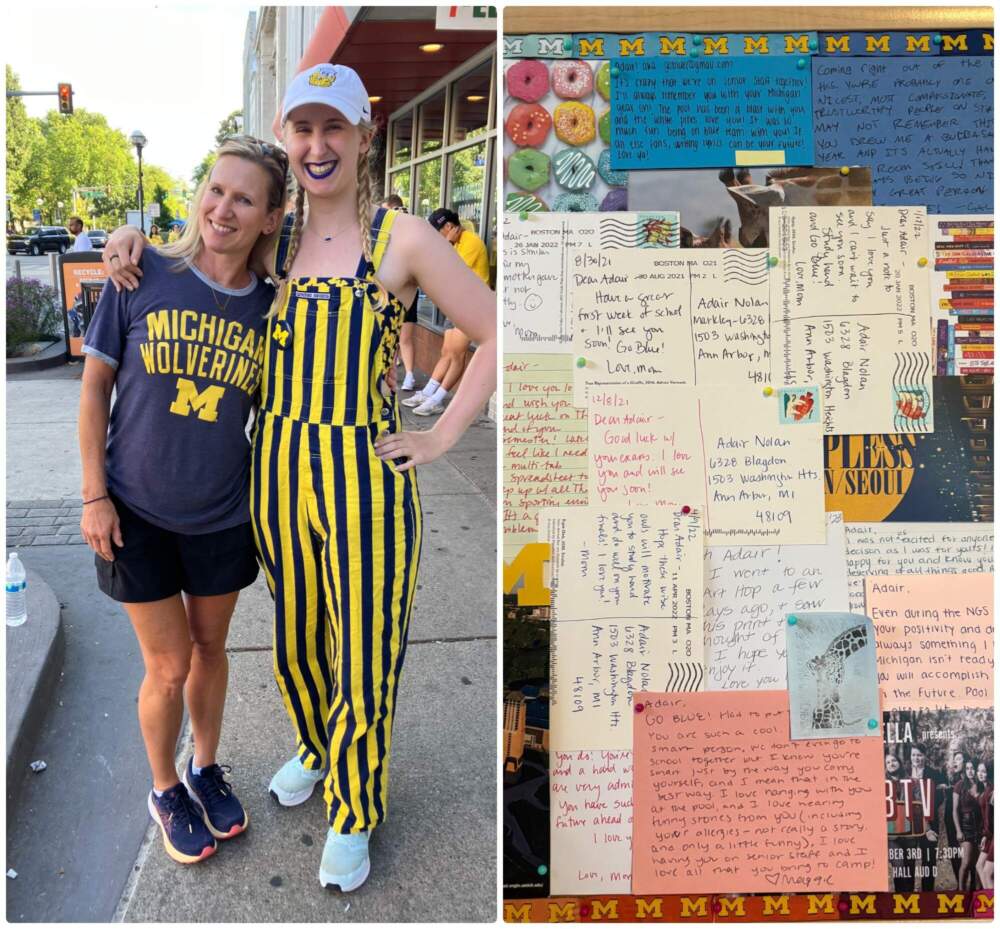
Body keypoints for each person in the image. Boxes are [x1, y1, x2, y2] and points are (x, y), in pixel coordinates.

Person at [101, 62, 496, 891]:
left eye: (334, 127)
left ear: (364, 136)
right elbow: (199, 245)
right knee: (300, 639)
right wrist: (128, 243)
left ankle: (356, 805)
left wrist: (440, 435)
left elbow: (497, 330)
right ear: (287, 139)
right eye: (304, 129)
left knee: (365, 647)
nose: (318, 145)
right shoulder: (274, 238)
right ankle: (319, 747)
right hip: (276, 472)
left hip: (363, 476)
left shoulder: (402, 238)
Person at [80, 135, 288, 865]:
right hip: (133, 512)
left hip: (222, 514)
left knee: (210, 649)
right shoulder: (140, 274)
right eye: (216, 190)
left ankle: (204, 766)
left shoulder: (274, 309)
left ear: (270, 218)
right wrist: (94, 495)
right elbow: (95, 389)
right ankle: (165, 786)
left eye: (244, 199)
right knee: (167, 666)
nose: (223, 209)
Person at [401, 207, 491, 416]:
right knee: (446, 352)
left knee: (457, 354)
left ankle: (437, 399)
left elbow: (451, 271)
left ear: (449, 227)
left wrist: (446, 244)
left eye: (438, 231)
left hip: (472, 305)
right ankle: (428, 392)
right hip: (457, 304)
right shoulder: (456, 243)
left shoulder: (471, 242)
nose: (437, 237)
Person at [380, 193, 418, 392]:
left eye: (385, 211)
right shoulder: (383, 234)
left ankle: (409, 375)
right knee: (393, 339)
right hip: (387, 292)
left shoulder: (408, 232)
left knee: (403, 338)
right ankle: (394, 372)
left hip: (402, 293)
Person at [955, 757, 986, 891]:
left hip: (980, 828)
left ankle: (977, 893)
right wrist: (958, 830)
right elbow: (954, 810)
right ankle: (961, 892)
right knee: (966, 862)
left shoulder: (982, 785)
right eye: (967, 768)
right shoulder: (960, 785)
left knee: (979, 864)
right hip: (965, 828)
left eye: (972, 768)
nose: (970, 771)